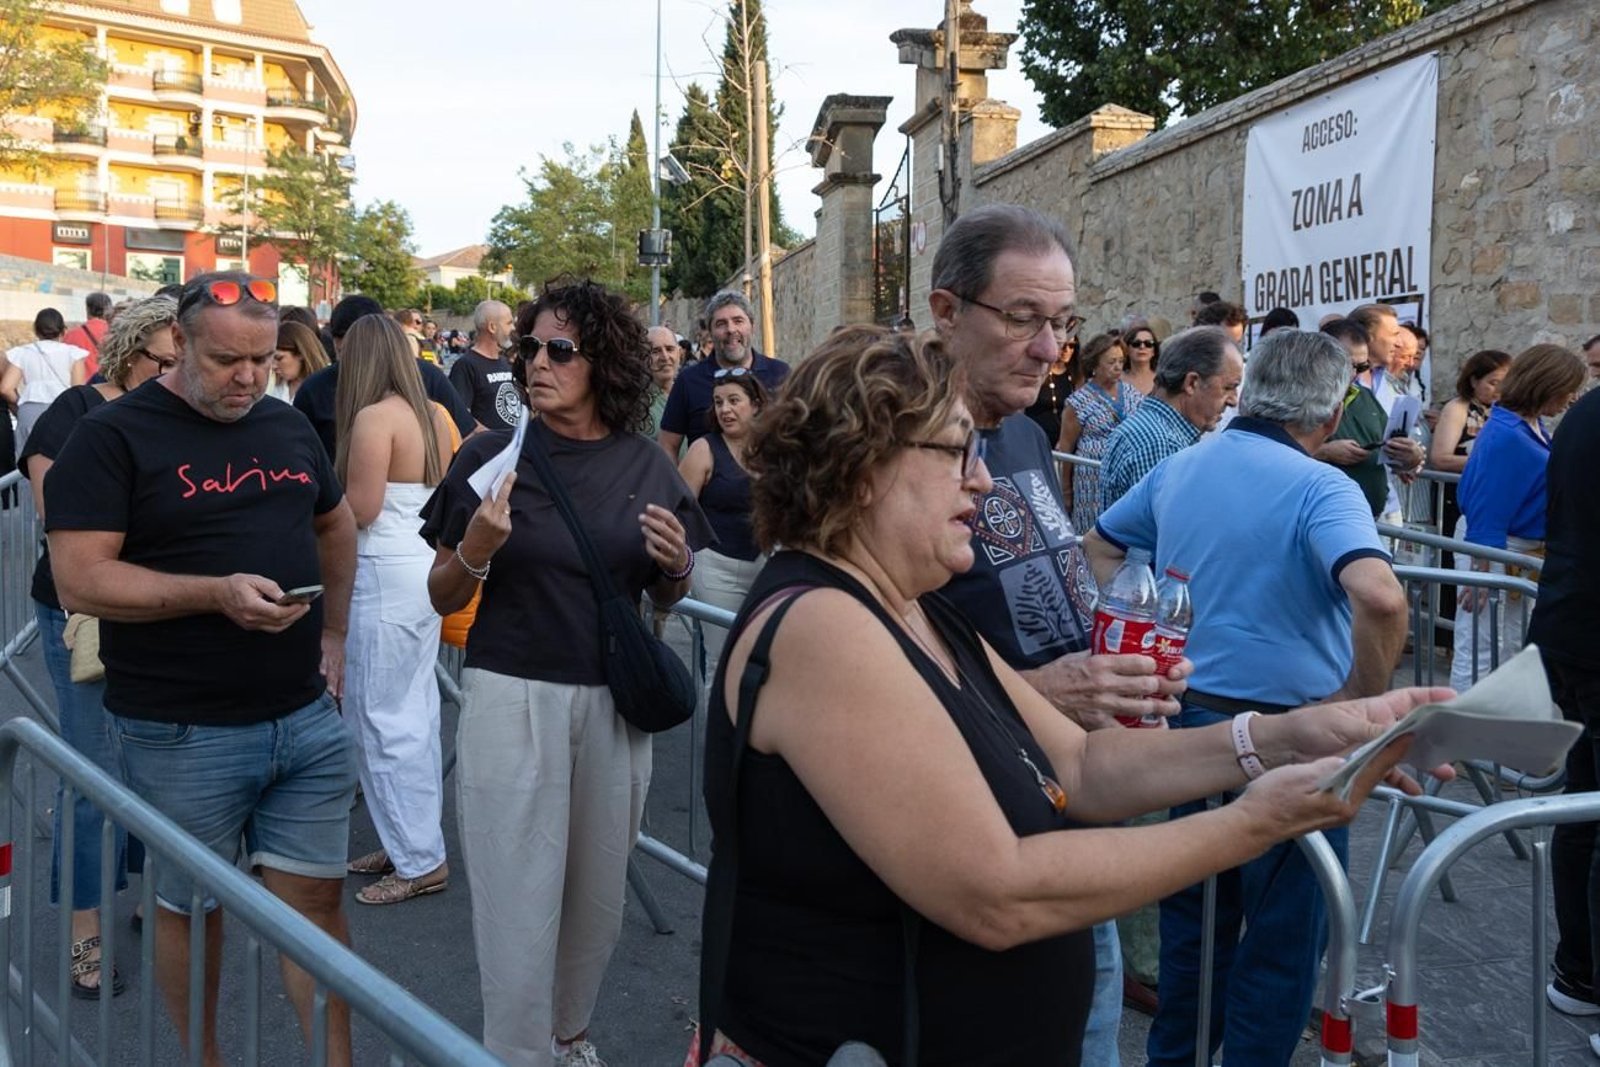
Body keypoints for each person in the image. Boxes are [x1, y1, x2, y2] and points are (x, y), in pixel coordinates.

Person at [696, 323, 1448, 1067]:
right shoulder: (824, 624)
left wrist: (1298, 735)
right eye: (958, 451)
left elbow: (1083, 766)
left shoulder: (914, 606)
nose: (983, 479)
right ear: (863, 467)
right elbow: (998, 893)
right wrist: (1256, 822)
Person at [45, 272, 359, 1065]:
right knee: (192, 907)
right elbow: (82, 576)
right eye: (228, 360)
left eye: (265, 358)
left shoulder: (286, 429)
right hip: (181, 728)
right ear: (179, 343)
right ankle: (203, 1059)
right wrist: (212, 594)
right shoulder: (112, 436)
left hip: (304, 717)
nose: (250, 377)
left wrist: (337, 635)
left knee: (317, 902)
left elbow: (336, 525)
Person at [1085, 328, 1411, 1067]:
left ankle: (1176, 1059)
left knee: (1194, 930)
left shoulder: (1186, 467)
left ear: (1250, 390)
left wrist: (1139, 634)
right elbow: (1383, 599)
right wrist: (1358, 703)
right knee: (1283, 938)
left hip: (1190, 726)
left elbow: (1099, 548)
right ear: (1329, 419)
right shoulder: (1322, 485)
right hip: (1290, 739)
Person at [421, 278, 712, 1067]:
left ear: (604, 362)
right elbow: (442, 588)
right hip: (511, 700)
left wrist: (676, 567)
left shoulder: (646, 468)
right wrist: (477, 549)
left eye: (558, 350)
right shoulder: (489, 456)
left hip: (612, 708)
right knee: (518, 902)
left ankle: (570, 1032)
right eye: (528, 348)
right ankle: (514, 1052)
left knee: (595, 900)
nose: (536, 364)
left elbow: (664, 592)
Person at [926, 205, 1188, 1055]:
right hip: (987, 832)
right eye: (1023, 318)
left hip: (1078, 802)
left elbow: (1042, 574)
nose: (1050, 348)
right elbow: (871, 669)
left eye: (1062, 322)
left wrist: (1120, 647)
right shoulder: (903, 458)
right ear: (944, 311)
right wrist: (1045, 692)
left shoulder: (1029, 436)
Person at [20, 294, 178, 999]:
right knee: (92, 776)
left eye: (186, 361)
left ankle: (149, 892)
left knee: (157, 760)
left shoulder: (186, 418)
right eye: (164, 360)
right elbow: (58, 514)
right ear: (129, 348)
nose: (174, 373)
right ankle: (87, 933)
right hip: (81, 614)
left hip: (163, 614)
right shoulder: (77, 411)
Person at [333, 315, 455, 905]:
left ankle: (418, 859)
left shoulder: (373, 419)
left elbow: (361, 508)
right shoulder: (434, 416)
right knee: (414, 713)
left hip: (383, 571)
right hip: (422, 568)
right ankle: (407, 837)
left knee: (381, 717)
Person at [1450, 344, 1586, 693]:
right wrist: (1482, 566)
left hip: (1509, 549)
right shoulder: (1508, 434)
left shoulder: (1524, 425)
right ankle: (1468, 741)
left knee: (1506, 645)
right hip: (1494, 548)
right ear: (1545, 385)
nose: (1573, 397)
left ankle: (1492, 736)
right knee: (1481, 648)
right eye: (1568, 388)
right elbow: (1487, 502)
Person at [1533, 385, 1600, 1046]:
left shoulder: (1583, 412)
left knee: (1584, 804)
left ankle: (1579, 974)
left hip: (1569, 627)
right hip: (1588, 631)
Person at [295, 295, 475, 461]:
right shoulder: (315, 389)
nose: (355, 364)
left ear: (380, 336)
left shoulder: (427, 376)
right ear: (334, 342)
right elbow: (301, 457)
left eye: (361, 352)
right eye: (344, 353)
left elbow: (468, 436)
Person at [678, 368, 767, 671]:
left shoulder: (773, 448)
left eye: (733, 400)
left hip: (766, 563)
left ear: (755, 404)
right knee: (723, 661)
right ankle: (716, 719)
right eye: (718, 402)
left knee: (764, 656)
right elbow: (679, 511)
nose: (725, 410)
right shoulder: (704, 449)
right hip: (716, 567)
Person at [1099, 325, 1242, 513]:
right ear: (1192, 383)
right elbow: (1169, 536)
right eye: (1228, 388)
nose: (1233, 400)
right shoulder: (1162, 445)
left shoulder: (1154, 431)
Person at [657, 291, 788, 457]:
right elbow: (668, 446)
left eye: (738, 321)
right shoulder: (689, 380)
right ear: (710, 333)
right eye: (721, 324)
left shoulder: (780, 374)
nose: (731, 329)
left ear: (752, 326)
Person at [1058, 332, 1141, 535]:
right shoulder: (1078, 402)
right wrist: (1066, 491)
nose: (1117, 367)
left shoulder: (1131, 393)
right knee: (1093, 535)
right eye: (1111, 362)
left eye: (1121, 361)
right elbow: (1066, 448)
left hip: (1126, 478)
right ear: (1095, 365)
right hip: (1091, 483)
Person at [1316, 317, 1390, 518]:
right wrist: (1324, 452)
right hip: (1322, 518)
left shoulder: (1365, 397)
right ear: (1322, 356)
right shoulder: (1299, 398)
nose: (1355, 374)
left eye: (1363, 367)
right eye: (1347, 365)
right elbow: (1269, 454)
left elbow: (1388, 443)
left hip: (1371, 519)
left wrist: (1410, 457)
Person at [2, 308, 86, 453]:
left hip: (29, 411)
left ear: (36, 330)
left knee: (25, 465)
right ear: (63, 330)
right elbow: (77, 391)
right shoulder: (73, 353)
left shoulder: (23, 352)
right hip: (62, 411)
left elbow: (5, 389)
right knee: (60, 459)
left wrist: (20, 405)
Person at [448, 300, 522, 430]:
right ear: (492, 327)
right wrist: (491, 438)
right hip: (490, 448)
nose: (513, 328)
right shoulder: (466, 365)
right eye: (509, 323)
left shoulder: (505, 362)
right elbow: (460, 415)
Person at [1023, 334, 1080, 443]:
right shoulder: (1039, 372)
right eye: (1063, 346)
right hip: (1034, 436)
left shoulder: (1076, 376)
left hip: (1061, 440)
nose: (1067, 350)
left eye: (1072, 346)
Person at [270, 320, 329, 401]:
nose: (273, 366)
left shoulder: (328, 384)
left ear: (301, 353)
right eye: (270, 359)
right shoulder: (273, 385)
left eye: (279, 358)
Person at [646, 326, 683, 449]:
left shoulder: (688, 393)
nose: (665, 357)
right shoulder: (637, 404)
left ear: (679, 353)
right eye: (655, 351)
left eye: (669, 349)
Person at [65, 291, 112, 384]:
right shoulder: (116, 333)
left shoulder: (71, 335)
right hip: (108, 387)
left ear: (87, 309)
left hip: (81, 388)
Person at [1121, 318, 1160, 395]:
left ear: (1154, 351)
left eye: (1148, 343)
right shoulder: (1116, 381)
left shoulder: (1162, 381)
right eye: (1136, 343)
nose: (1142, 347)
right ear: (1127, 350)